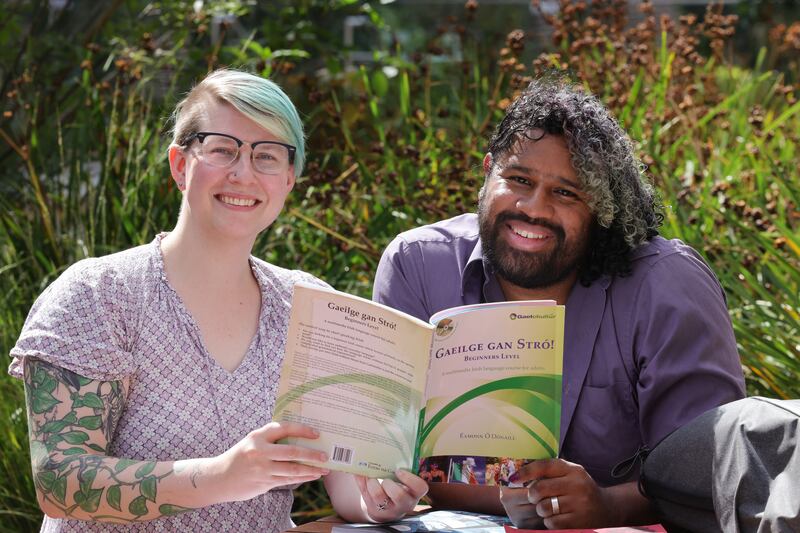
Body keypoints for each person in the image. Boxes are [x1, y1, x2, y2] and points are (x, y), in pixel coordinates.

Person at [9, 69, 425, 532]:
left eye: (267, 155)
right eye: (222, 148)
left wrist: (381, 502)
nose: (243, 173)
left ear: (289, 180)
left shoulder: (308, 306)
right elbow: (60, 481)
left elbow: (346, 488)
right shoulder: (100, 294)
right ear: (180, 165)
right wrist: (223, 476)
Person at [372, 77, 746, 529]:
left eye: (566, 193)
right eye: (518, 179)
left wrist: (608, 506)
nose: (535, 208)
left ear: (602, 208)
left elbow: (711, 469)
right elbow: (390, 449)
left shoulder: (666, 284)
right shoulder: (418, 265)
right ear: (488, 170)